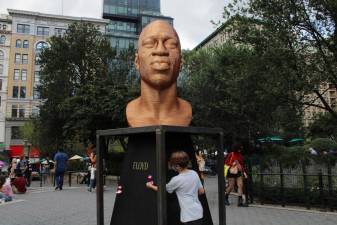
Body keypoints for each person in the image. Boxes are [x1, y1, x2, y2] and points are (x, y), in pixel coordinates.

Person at [126, 20, 192, 127]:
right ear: (137, 61)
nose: (161, 50)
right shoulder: (129, 111)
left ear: (181, 62)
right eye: (149, 44)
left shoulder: (188, 111)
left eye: (171, 44)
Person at [146, 151, 204, 225]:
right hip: (198, 212)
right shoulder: (194, 173)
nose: (172, 166)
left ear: (178, 166)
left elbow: (162, 190)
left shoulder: (176, 179)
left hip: (188, 216)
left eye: (173, 164)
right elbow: (201, 191)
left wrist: (150, 185)